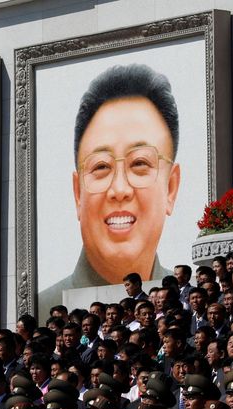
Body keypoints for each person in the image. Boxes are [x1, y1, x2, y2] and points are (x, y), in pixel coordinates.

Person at [40, 64, 182, 311]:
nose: (119, 189)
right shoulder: (43, 309)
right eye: (101, 167)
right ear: (78, 194)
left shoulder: (189, 301)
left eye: (139, 163)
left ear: (170, 188)